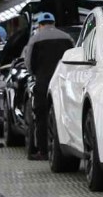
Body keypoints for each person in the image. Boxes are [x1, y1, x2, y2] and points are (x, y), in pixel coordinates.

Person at [21, 12, 75, 161]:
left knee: (42, 117)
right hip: (63, 83)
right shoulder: (67, 38)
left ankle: (44, 152)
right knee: (65, 115)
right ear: (54, 22)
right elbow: (74, 57)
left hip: (43, 82)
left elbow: (28, 63)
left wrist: (36, 74)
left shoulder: (34, 39)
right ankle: (67, 149)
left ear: (39, 25)